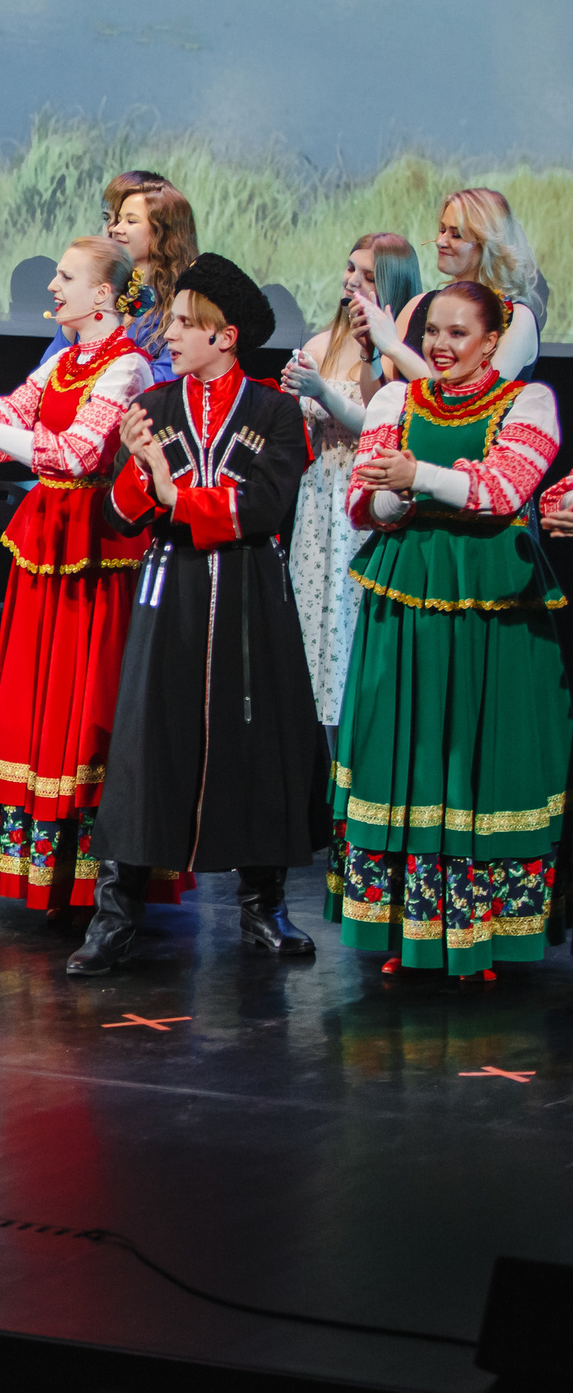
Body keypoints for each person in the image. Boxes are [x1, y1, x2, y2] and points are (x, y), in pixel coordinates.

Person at [74, 255, 327, 975]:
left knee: (258, 742)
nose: (172, 333)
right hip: (173, 593)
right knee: (147, 746)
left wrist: (175, 495)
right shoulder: (152, 407)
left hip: (248, 595)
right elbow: (117, 518)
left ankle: (262, 907)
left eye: (188, 323)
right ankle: (115, 914)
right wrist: (135, 472)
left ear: (227, 336)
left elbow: (264, 507)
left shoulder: (276, 412)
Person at [0, 239, 181, 918]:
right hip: (50, 545)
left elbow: (75, 453)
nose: (54, 286)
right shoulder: (65, 362)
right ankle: (50, 869)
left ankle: (98, 872)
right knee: (41, 694)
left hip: (96, 547)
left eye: (67, 277)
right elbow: (2, 419)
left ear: (104, 294)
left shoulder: (126, 367)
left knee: (84, 695)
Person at [327, 280, 566, 978]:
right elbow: (360, 504)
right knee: (404, 750)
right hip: (404, 596)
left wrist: (414, 474)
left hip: (492, 601)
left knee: (476, 754)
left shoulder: (531, 402)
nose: (440, 344)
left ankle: (481, 934)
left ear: (494, 341)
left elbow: (501, 491)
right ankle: (405, 927)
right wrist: (393, 495)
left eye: (460, 333)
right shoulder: (394, 399)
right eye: (433, 329)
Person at [279, 234, 420, 729]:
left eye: (367, 275)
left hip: (365, 494)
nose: (352, 281)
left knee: (351, 624)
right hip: (319, 497)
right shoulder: (321, 343)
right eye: (349, 269)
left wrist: (326, 391)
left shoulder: (402, 354)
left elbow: (379, 422)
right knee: (312, 625)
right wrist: (296, 389)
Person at [369, 188, 544, 382]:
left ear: (487, 245)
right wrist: (369, 355)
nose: (440, 242)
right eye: (442, 230)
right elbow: (379, 397)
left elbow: (476, 398)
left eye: (456, 235)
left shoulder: (518, 319)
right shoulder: (417, 306)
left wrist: (394, 347)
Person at [99, 171, 194, 383]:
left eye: (131, 221)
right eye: (109, 219)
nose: (114, 228)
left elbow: (163, 381)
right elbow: (48, 375)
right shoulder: (100, 291)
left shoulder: (182, 304)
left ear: (163, 232)